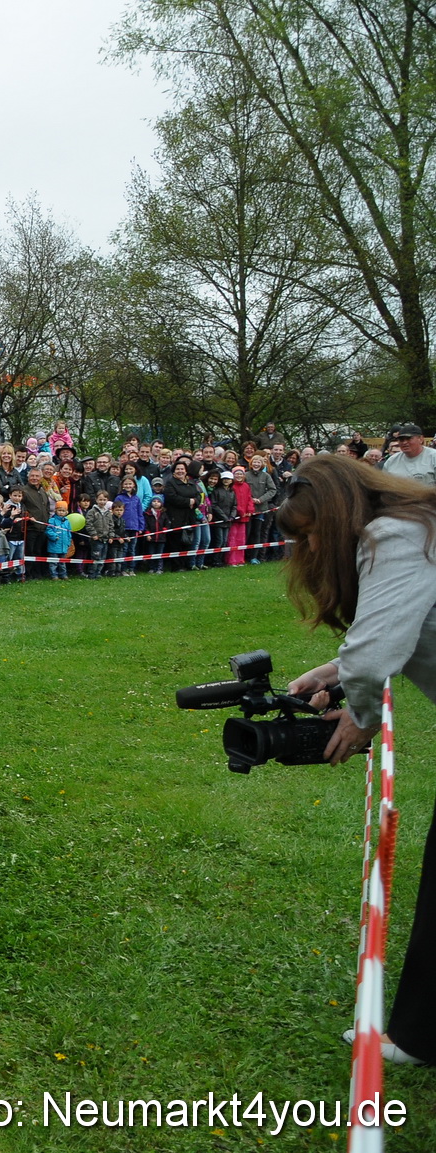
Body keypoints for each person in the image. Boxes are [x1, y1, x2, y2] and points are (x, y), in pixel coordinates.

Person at [281, 455, 436, 1066]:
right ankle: (423, 1033)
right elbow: (382, 636)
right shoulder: (412, 523)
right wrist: (333, 671)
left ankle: (420, 1035)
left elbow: (373, 659)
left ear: (339, 515)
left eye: (311, 532)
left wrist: (359, 718)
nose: (310, 546)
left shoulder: (394, 535)